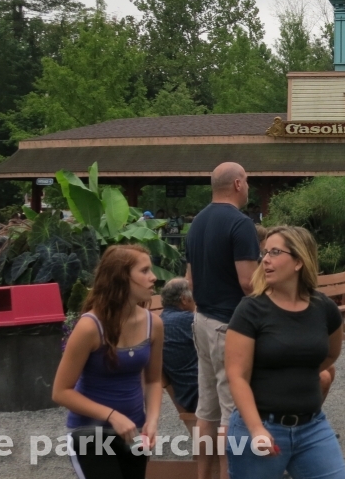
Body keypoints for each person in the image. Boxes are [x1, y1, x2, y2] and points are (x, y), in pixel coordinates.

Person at [225, 226, 345, 479]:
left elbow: (331, 354)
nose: (265, 260)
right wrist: (256, 429)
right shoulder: (250, 310)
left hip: (313, 428)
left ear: (299, 261)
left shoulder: (324, 308)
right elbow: (236, 376)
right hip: (259, 426)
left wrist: (297, 374)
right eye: (264, 253)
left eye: (275, 252)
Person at [53, 244, 164, 478]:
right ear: (120, 278)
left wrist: (152, 420)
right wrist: (112, 415)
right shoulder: (89, 327)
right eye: (144, 271)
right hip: (89, 433)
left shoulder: (154, 324)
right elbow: (61, 392)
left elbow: (154, 380)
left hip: (133, 433)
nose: (153, 277)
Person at [186, 162, 261, 479]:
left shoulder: (197, 222)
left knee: (207, 410)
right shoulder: (240, 224)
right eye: (248, 182)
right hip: (229, 325)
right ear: (238, 184)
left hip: (202, 320)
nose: (248, 187)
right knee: (233, 411)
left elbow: (189, 281)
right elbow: (248, 282)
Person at [160, 278, 198, 425]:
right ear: (184, 299)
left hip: (186, 395)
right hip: (201, 395)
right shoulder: (188, 320)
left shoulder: (162, 321)